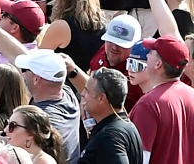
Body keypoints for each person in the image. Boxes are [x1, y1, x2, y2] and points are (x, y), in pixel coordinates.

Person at [129, 35, 194, 164]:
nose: (147, 56)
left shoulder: (149, 104)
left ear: (158, 64)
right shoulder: (192, 95)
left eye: (151, 53)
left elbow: (140, 158)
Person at [78, 68, 143, 164]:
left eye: (87, 91)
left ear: (101, 98)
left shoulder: (109, 137)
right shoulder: (126, 125)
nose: (82, 94)